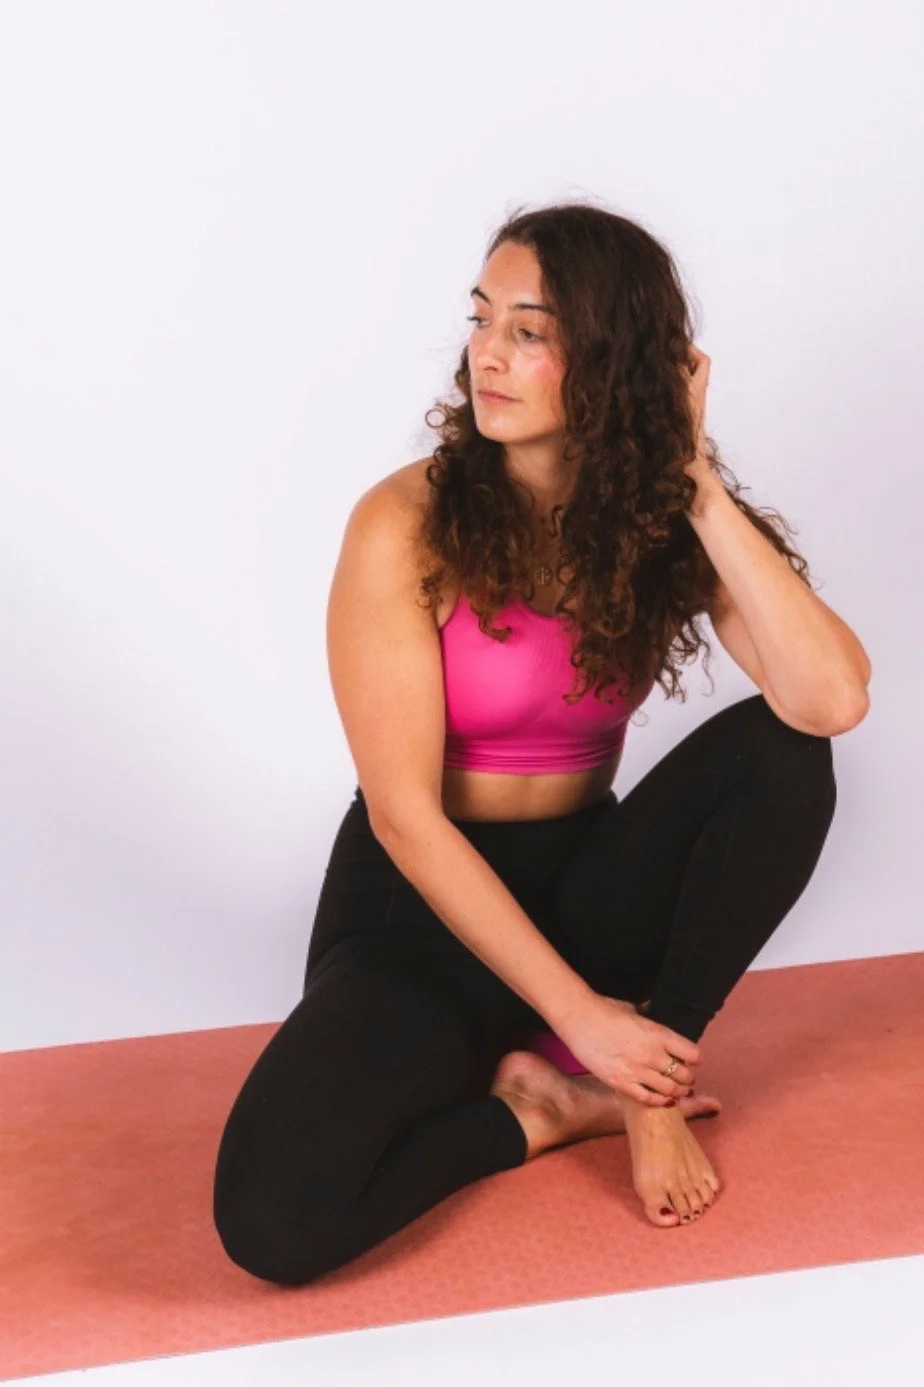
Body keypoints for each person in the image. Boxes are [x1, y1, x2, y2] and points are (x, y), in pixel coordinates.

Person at [212, 202, 870, 1287]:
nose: (488, 353)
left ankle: (645, 1084)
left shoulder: (654, 514)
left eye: (531, 329)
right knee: (273, 1220)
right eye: (482, 320)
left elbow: (832, 698)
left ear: (612, 363)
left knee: (785, 755)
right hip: (419, 910)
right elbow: (402, 816)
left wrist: (691, 478)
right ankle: (554, 1103)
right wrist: (583, 1023)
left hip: (583, 883)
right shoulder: (403, 522)